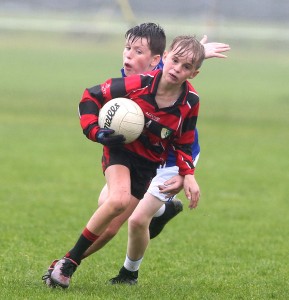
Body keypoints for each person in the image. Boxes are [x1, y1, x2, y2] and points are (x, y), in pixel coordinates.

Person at [42, 23, 230, 288]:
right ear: (165, 59)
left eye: (137, 51)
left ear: (156, 59)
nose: (128, 55)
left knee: (135, 219)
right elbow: (93, 95)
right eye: (127, 48)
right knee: (110, 208)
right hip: (130, 152)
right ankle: (69, 263)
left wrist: (184, 174)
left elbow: (184, 141)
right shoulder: (133, 82)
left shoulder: (181, 92)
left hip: (168, 160)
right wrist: (95, 131)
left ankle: (126, 271)